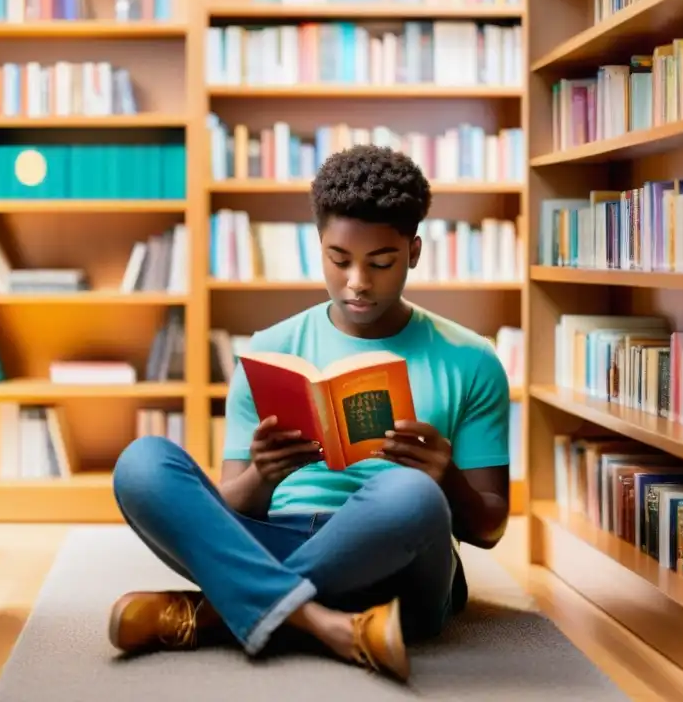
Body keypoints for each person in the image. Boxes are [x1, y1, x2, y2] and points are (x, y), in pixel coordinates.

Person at [108, 144, 512, 683]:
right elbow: (225, 507)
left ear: (414, 252)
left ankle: (215, 614)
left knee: (409, 495)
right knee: (141, 463)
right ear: (317, 245)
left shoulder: (470, 359)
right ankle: (328, 624)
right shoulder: (271, 349)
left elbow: (489, 528)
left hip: (402, 564)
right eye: (339, 260)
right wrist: (261, 475)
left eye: (382, 262)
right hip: (277, 538)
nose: (358, 283)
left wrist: (449, 482)